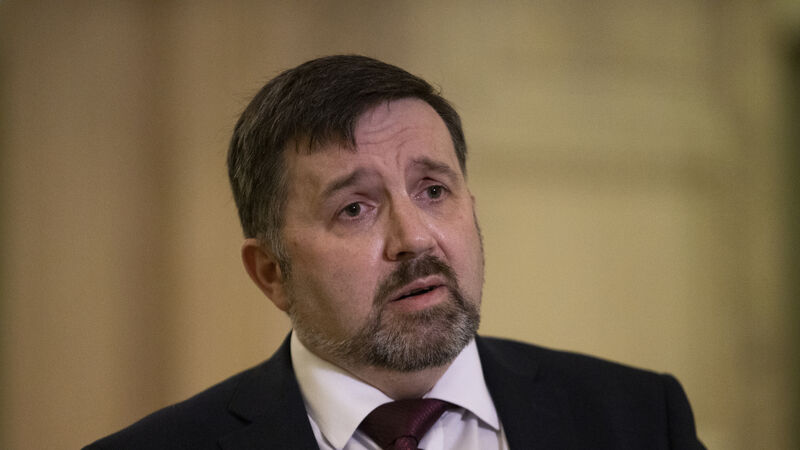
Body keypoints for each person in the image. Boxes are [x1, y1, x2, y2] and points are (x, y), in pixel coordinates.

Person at [85, 55, 705, 449]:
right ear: (271, 273)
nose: (415, 238)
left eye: (433, 190)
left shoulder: (640, 420)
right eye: (354, 208)